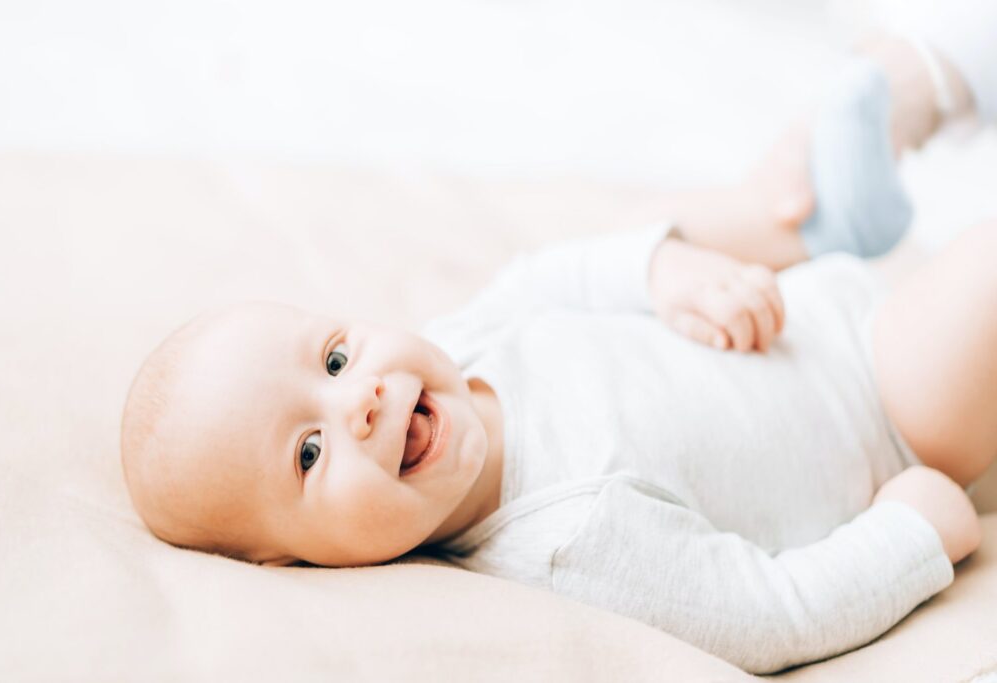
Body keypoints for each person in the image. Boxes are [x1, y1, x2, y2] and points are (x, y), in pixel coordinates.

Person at [119, 22, 995, 677]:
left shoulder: (460, 347)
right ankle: (823, 209)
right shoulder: (570, 543)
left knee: (656, 241)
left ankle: (824, 211)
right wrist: (908, 533)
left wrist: (664, 273)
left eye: (336, 358)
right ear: (293, 559)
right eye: (309, 453)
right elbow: (770, 615)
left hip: (797, 308)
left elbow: (555, 277)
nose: (359, 401)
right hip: (886, 405)